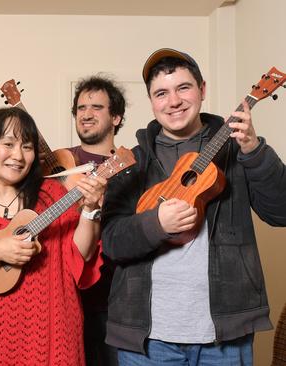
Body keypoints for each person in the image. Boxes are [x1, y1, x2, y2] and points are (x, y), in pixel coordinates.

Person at [101, 48, 286, 364]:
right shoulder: (132, 161)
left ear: (202, 90)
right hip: (146, 340)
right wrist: (156, 224)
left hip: (225, 336)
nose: (173, 101)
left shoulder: (237, 149)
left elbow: (280, 212)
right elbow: (112, 242)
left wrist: (254, 151)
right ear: (152, 102)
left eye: (183, 88)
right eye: (161, 93)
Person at [0, 107, 106, 365]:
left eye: (27, 147)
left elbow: (80, 254)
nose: (18, 155)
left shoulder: (53, 195)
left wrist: (92, 209)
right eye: (8, 144)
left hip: (55, 333)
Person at [69, 75, 126, 366]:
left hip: (114, 302)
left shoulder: (131, 166)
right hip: (66, 297)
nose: (86, 114)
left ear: (116, 117)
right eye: (80, 108)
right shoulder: (61, 163)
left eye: (96, 107)